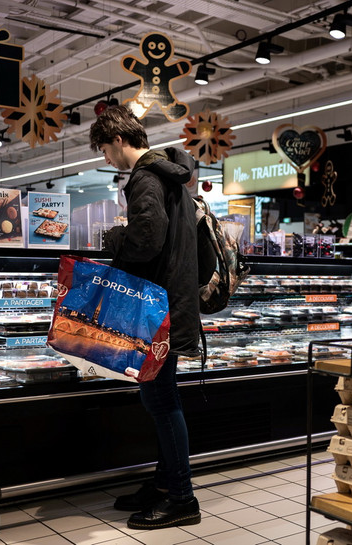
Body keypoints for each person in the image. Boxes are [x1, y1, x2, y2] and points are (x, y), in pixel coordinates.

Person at [89, 104, 201, 530]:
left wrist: (115, 236)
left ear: (118, 140)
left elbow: (146, 241)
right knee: (160, 397)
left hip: (157, 309)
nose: (106, 159)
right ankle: (162, 485)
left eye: (104, 149)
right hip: (172, 303)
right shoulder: (170, 175)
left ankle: (182, 499)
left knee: (160, 400)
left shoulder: (146, 179)